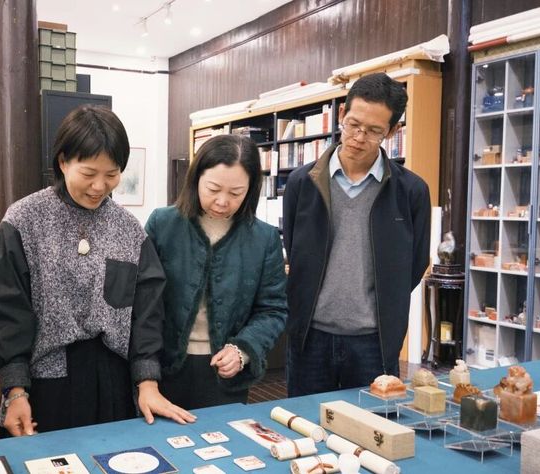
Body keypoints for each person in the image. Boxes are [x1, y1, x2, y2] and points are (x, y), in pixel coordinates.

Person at [0, 105, 195, 437]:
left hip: (112, 381)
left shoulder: (129, 230)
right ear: (63, 161)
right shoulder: (24, 220)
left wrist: (147, 380)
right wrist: (15, 389)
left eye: (112, 174)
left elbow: (147, 313)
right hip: (44, 380)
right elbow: (5, 312)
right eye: (89, 173)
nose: (99, 186)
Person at [283, 72, 431, 396]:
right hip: (309, 337)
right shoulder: (301, 183)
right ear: (341, 114)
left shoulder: (412, 191)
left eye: (374, 131)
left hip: (374, 342)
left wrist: (381, 304)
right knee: (306, 421)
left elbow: (415, 263)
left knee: (373, 423)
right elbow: (294, 249)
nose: (359, 137)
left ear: (392, 131)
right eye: (353, 124)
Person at [145, 134, 288, 409]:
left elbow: (273, 310)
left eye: (236, 193)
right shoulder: (162, 225)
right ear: (196, 178)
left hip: (225, 374)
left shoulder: (264, 238)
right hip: (161, 368)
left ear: (251, 189)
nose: (223, 201)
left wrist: (243, 349)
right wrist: (144, 370)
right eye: (213, 189)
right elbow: (143, 302)